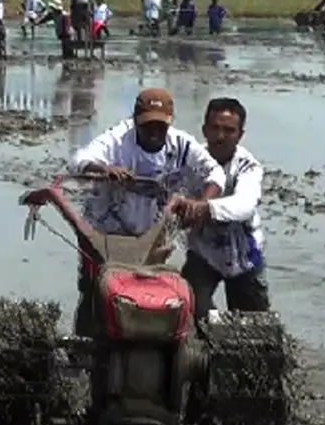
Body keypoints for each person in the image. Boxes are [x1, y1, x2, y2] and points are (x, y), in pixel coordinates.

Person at [67, 88, 226, 335]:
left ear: (169, 123)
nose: (154, 133)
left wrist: (201, 204)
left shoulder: (182, 145)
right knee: (94, 291)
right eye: (147, 126)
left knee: (149, 293)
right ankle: (83, 348)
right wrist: (103, 168)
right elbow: (79, 160)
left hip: (152, 234)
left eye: (160, 127)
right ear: (135, 121)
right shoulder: (118, 140)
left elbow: (215, 173)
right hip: (105, 232)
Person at [171, 98, 269, 319]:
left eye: (229, 130)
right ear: (204, 130)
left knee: (255, 328)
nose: (221, 136)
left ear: (240, 135)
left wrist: (203, 209)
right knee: (186, 310)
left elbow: (244, 205)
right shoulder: (191, 161)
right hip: (203, 252)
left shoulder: (248, 166)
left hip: (243, 254)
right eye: (215, 128)